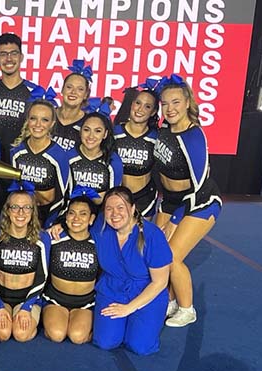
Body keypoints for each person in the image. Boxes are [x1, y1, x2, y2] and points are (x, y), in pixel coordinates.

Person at [153, 74, 222, 327]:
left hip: (200, 202)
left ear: (187, 102)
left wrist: (175, 219)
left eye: (176, 102)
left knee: (171, 257)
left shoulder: (193, 137)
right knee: (155, 254)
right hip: (170, 201)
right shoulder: (162, 132)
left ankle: (187, 309)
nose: (170, 109)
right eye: (165, 103)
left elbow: (199, 184)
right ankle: (169, 301)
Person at [91, 186, 172, 354]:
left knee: (140, 347)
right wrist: (61, 226)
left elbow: (160, 282)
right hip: (112, 289)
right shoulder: (100, 228)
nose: (115, 214)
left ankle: (147, 319)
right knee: (105, 342)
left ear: (133, 208)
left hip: (147, 292)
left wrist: (129, 308)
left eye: (121, 207)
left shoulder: (152, 235)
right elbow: (76, 221)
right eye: (109, 208)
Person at [0, 32, 44, 224]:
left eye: (13, 53)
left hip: (24, 168)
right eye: (3, 54)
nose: (9, 58)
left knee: (22, 221)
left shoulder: (35, 93)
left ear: (22, 57)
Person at [0, 186, 52, 343]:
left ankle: (30, 313)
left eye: (26, 208)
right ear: (7, 211)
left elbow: (42, 276)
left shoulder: (41, 239)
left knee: (20, 334)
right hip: (0, 296)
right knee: (3, 334)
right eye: (15, 207)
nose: (21, 213)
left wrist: (26, 307)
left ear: (33, 212)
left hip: (27, 298)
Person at [42, 188, 98, 344]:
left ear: (91, 219)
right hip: (56, 299)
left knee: (77, 337)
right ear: (66, 217)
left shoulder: (98, 242)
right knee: (57, 335)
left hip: (85, 302)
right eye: (72, 213)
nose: (76, 218)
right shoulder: (54, 237)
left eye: (83, 214)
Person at [10, 92, 70, 228]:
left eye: (44, 120)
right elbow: (12, 189)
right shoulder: (16, 151)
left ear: (52, 124)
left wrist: (51, 223)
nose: (38, 124)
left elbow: (63, 195)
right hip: (21, 215)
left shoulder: (59, 155)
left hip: (48, 215)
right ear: (27, 121)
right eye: (33, 118)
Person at [113, 79, 160, 218]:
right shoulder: (114, 133)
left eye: (147, 106)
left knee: (140, 238)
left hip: (144, 199)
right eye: (138, 103)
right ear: (132, 104)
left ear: (153, 112)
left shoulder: (156, 138)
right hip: (117, 197)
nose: (140, 109)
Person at [66, 110, 122, 204]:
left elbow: (113, 201)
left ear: (105, 134)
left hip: (101, 214)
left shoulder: (113, 162)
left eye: (98, 131)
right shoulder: (68, 157)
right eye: (86, 130)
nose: (91, 136)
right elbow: (62, 196)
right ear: (80, 131)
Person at [52, 59, 91, 152]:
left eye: (80, 89)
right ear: (62, 90)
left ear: (86, 95)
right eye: (69, 87)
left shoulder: (89, 123)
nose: (73, 92)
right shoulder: (48, 115)